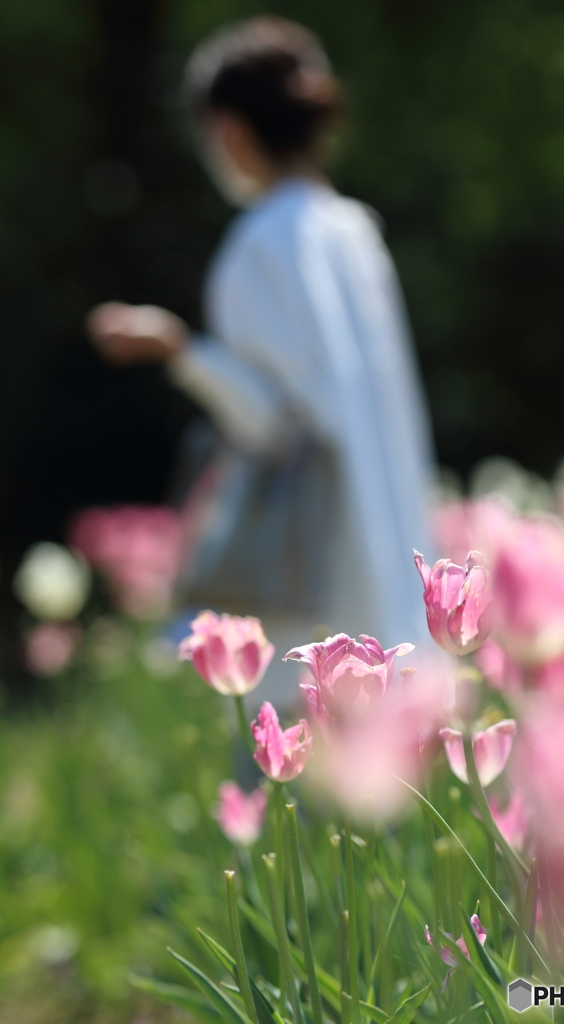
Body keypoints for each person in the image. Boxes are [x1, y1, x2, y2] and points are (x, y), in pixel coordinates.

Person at [87, 16, 436, 707]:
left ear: (229, 132)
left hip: (304, 584)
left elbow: (276, 427)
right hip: (396, 564)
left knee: (292, 789)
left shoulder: (256, 246)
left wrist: (182, 352)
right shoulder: (354, 230)